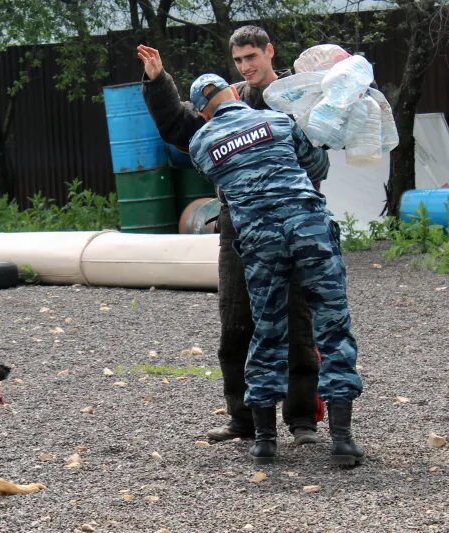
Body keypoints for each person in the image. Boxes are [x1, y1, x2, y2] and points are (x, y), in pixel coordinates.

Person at [137, 26, 327, 446]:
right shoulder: (227, 97)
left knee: (297, 322)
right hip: (238, 227)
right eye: (239, 60)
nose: (246, 67)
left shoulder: (296, 100)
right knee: (236, 321)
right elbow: (181, 127)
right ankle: (243, 419)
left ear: (269, 53)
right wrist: (157, 81)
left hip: (292, 222)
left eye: (251, 58)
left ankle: (302, 420)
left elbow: (316, 160)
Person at [186, 73, 364, 466]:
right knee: (332, 326)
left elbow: (222, 180)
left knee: (266, 329)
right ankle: (342, 441)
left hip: (260, 238)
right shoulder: (280, 121)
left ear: (202, 112)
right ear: (235, 93)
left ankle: (265, 441)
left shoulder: (201, 142)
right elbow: (317, 165)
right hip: (308, 226)